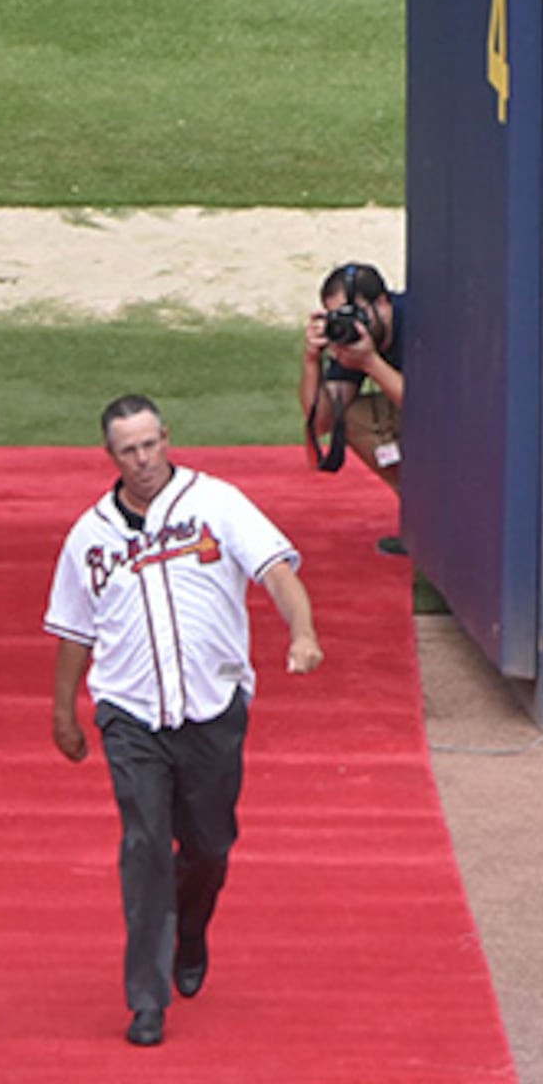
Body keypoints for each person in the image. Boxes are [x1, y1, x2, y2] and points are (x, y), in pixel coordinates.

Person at [45, 394, 321, 1046]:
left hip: (212, 708)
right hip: (130, 712)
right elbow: (72, 631)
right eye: (128, 450)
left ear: (166, 438)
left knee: (210, 846)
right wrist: (64, 711)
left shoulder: (217, 503)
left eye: (150, 444)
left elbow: (277, 572)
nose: (142, 460)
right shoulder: (90, 535)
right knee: (144, 848)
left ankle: (190, 929)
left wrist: (302, 633)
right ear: (108, 456)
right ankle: (146, 999)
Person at [302, 259, 406, 554]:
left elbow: (438, 410)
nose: (350, 324)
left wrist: (370, 363)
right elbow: (321, 421)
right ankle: (420, 511)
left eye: (355, 314)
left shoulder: (420, 319)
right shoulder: (353, 338)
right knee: (350, 416)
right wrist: (312, 359)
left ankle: (441, 514)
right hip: (416, 414)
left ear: (383, 303)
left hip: (470, 428)